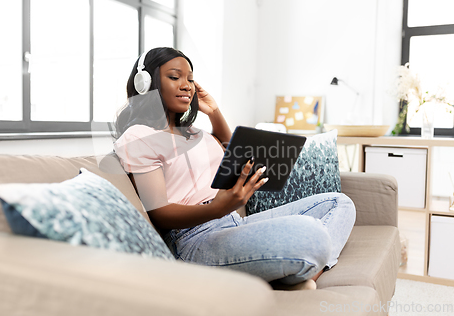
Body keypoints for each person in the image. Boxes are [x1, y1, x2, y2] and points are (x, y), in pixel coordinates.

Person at [113, 47, 356, 290]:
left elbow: (234, 154)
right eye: (175, 77)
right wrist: (217, 208)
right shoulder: (139, 136)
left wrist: (214, 112)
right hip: (193, 239)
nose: (187, 85)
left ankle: (304, 275)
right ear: (146, 83)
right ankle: (296, 270)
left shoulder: (195, 133)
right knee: (312, 235)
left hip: (232, 223)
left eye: (190, 78)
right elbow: (159, 212)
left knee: (340, 203)